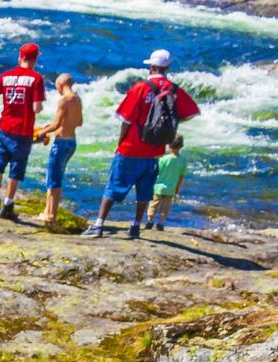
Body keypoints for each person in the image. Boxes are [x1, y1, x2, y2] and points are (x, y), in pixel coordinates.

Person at [83, 48, 200, 240]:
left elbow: (125, 120)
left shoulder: (140, 88)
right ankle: (136, 226)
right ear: (167, 67)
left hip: (131, 148)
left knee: (113, 186)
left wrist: (120, 143)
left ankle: (98, 225)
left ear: (152, 67)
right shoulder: (174, 90)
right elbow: (191, 113)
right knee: (145, 191)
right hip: (155, 150)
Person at [0, 43, 46, 220]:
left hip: (5, 128)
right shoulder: (36, 79)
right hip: (23, 131)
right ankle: (8, 204)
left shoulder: (6, 76)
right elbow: (37, 108)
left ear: (20, 57)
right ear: (34, 59)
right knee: (16, 168)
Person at [34, 72, 82, 226]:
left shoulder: (64, 100)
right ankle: (48, 211)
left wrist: (41, 132)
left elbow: (56, 124)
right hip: (72, 142)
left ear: (60, 85)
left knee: (52, 179)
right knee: (56, 177)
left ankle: (50, 215)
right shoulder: (77, 99)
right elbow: (79, 122)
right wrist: (53, 126)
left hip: (61, 143)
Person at [148, 135, 187, 231]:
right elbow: (181, 177)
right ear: (181, 146)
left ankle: (150, 221)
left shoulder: (163, 159)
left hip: (158, 186)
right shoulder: (183, 161)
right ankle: (161, 223)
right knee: (165, 207)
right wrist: (177, 188)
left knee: (153, 204)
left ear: (168, 146)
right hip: (171, 188)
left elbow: (156, 172)